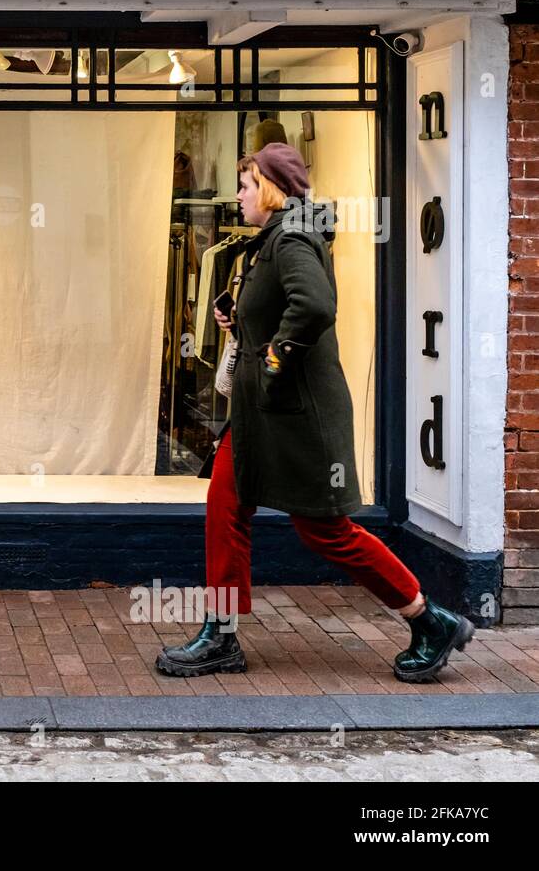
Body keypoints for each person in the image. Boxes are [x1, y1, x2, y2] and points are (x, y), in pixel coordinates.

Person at [155, 142, 474, 683]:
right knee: (224, 506)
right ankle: (221, 635)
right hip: (261, 417)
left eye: (247, 184)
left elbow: (316, 305)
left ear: (272, 189)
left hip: (296, 420)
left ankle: (429, 619)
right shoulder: (272, 240)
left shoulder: (293, 238)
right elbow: (286, 307)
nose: (238, 194)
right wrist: (244, 323)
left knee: (327, 532)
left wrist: (275, 356)